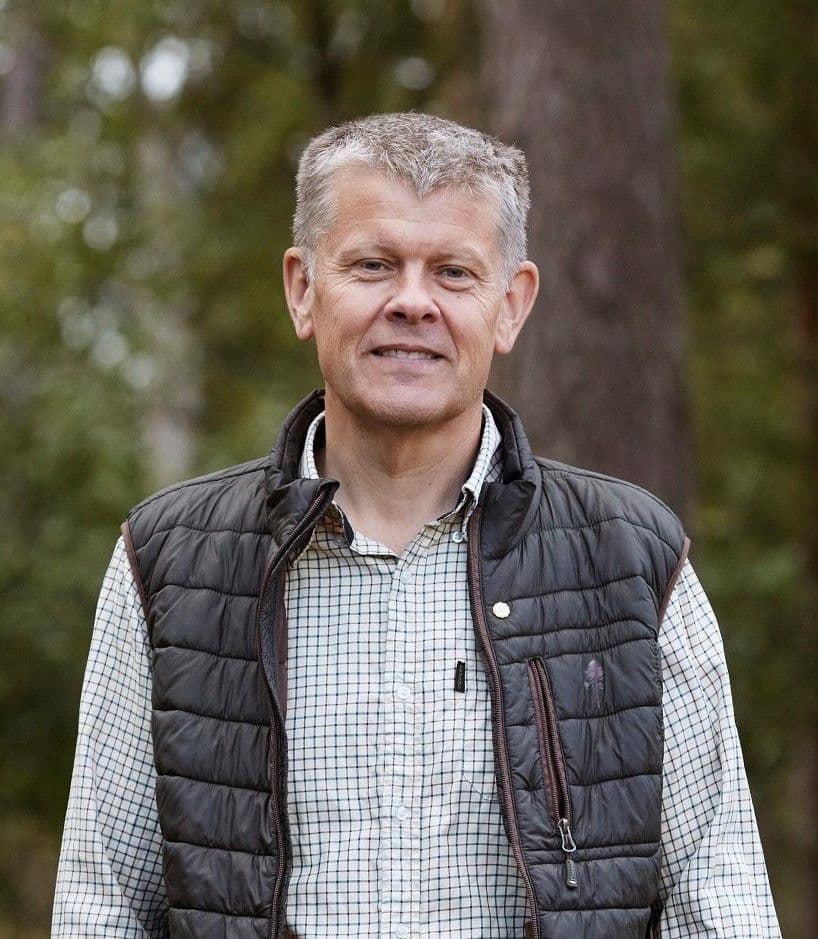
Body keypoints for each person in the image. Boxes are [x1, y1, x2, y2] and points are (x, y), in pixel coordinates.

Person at [52, 112, 781, 939]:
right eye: (372, 264)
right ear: (302, 289)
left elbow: (719, 907)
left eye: (453, 272)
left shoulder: (634, 562)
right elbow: (101, 907)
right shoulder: (169, 563)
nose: (411, 302)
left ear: (510, 305)